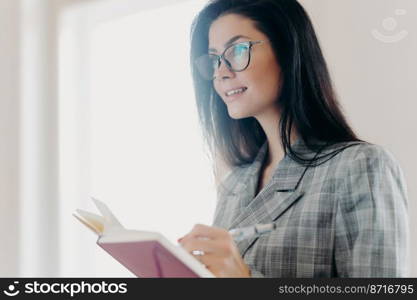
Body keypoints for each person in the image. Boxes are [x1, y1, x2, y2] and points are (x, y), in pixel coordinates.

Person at [178, 0, 409, 277]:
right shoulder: (234, 185)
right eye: (214, 59)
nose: (221, 72)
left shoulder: (361, 166)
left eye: (237, 50)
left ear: (288, 50)